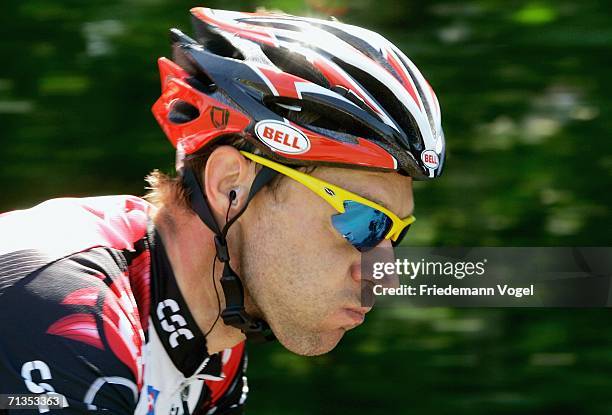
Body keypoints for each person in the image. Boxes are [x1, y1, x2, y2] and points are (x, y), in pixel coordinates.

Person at [0, 7, 445, 414]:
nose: (384, 273)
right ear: (230, 184)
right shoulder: (60, 305)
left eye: (395, 233)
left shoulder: (214, 345)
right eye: (364, 221)